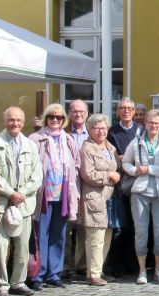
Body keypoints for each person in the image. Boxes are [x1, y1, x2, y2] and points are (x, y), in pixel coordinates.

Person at [0, 107, 43, 296]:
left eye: (19, 120)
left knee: (22, 247)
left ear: (23, 121)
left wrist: (22, 193)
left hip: (24, 203)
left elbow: (37, 175)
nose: (15, 123)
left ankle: (18, 282)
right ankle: (2, 285)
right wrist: (11, 193)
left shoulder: (30, 145)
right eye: (11, 120)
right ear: (5, 121)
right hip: (3, 203)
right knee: (1, 246)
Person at [27, 103, 80, 290]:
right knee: (41, 235)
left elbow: (76, 165)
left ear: (64, 120)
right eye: (51, 117)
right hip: (44, 194)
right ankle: (37, 275)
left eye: (59, 117)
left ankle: (54, 274)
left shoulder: (68, 140)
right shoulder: (35, 139)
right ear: (46, 119)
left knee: (59, 235)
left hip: (63, 194)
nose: (55, 120)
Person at [122, 109, 159, 285]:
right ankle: (142, 270)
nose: (153, 126)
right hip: (140, 192)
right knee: (141, 232)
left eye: (157, 123)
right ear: (145, 123)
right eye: (151, 122)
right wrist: (135, 171)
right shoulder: (136, 142)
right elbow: (125, 162)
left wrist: (149, 169)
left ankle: (158, 270)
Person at [78, 114, 121, 286]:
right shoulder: (87, 148)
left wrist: (116, 174)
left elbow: (117, 166)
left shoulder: (110, 147)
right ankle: (92, 273)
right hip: (94, 197)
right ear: (89, 129)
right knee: (95, 237)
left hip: (109, 198)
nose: (101, 131)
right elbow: (87, 174)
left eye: (103, 127)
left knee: (107, 236)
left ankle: (99, 269)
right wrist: (108, 175)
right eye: (96, 128)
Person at [106, 97, 140, 278]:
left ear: (134, 111)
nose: (126, 111)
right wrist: (123, 158)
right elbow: (111, 156)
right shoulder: (112, 132)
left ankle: (132, 264)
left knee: (135, 226)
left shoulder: (139, 131)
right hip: (119, 184)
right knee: (120, 226)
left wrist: (125, 157)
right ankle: (116, 265)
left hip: (136, 182)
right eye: (123, 108)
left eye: (129, 108)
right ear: (118, 111)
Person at [63, 100, 90, 279]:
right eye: (74, 111)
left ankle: (81, 264)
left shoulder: (94, 132)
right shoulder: (63, 132)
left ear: (87, 113)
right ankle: (65, 265)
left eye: (81, 111)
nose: (78, 114)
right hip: (67, 185)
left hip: (87, 186)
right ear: (69, 113)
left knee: (83, 227)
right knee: (65, 227)